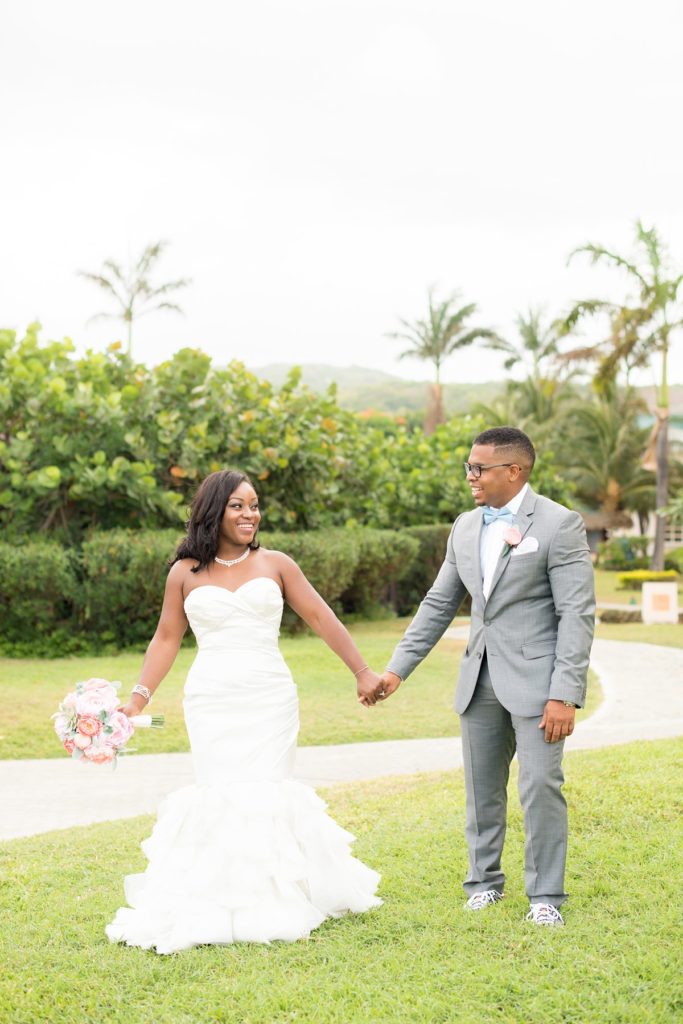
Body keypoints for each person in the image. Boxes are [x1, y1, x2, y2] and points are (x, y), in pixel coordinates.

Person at [106, 469, 383, 953]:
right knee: (220, 792)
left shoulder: (276, 564)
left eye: (254, 505)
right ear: (214, 511)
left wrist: (361, 671)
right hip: (212, 698)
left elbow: (320, 616)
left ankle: (278, 897)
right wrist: (137, 698)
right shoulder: (185, 573)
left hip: (269, 695)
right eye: (238, 505)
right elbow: (166, 638)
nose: (250, 514)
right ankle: (221, 899)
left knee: (266, 791)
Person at [374, 426, 595, 926]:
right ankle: (484, 883)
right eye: (469, 467)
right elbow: (438, 603)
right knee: (481, 789)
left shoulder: (560, 524)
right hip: (479, 681)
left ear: (513, 471)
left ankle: (544, 898)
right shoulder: (465, 527)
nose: (470, 476)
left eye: (479, 468)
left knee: (540, 786)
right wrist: (396, 670)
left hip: (540, 686)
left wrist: (565, 692)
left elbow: (576, 614)